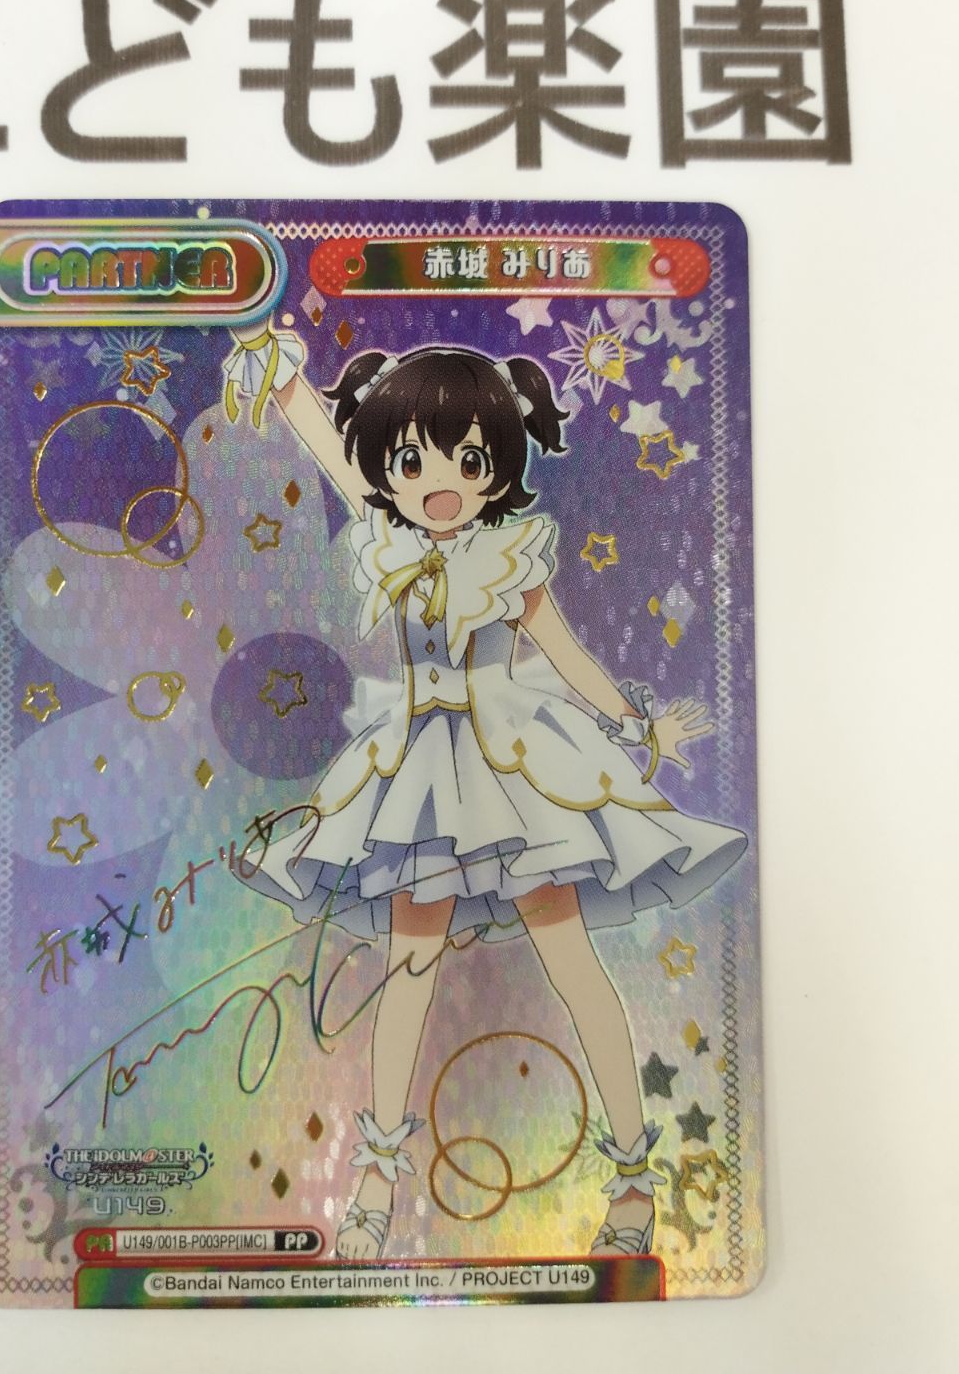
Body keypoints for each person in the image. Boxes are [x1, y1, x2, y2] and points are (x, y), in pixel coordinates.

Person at [222, 325, 746, 1261]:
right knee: (408, 971)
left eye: (468, 460)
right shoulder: (389, 541)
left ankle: (633, 1177)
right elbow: (334, 454)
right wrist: (277, 367)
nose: (441, 482)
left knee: (572, 965)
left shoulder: (509, 558)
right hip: (420, 775)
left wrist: (635, 729)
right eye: (413, 460)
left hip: (513, 773)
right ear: (388, 465)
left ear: (498, 467)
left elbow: (569, 657)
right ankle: (378, 1174)